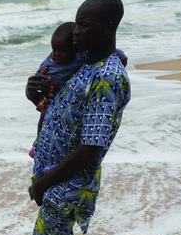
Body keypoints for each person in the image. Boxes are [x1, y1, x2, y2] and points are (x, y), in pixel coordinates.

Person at [22, 0, 131, 235]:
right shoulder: (85, 62)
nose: (76, 33)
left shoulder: (107, 77)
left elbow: (90, 149)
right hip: (56, 176)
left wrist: (45, 182)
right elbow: (53, 87)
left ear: (108, 28)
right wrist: (32, 91)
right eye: (77, 23)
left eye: (85, 26)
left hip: (68, 182)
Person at [29, 22, 128, 157]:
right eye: (54, 50)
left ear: (75, 48)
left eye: (62, 51)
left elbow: (117, 55)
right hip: (53, 95)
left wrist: (119, 66)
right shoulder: (50, 61)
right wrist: (36, 87)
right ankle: (38, 144)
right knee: (45, 116)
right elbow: (38, 77)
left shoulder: (83, 56)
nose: (56, 54)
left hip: (73, 99)